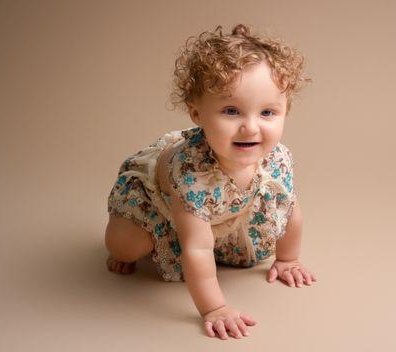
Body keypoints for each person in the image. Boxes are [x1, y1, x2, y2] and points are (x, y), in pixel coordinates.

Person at [105, 24, 317, 340]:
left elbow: (292, 214)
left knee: (246, 252)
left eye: (268, 112)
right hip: (157, 200)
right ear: (197, 114)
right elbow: (198, 248)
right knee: (126, 248)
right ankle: (126, 235)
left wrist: (288, 259)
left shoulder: (277, 159)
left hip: (223, 208)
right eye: (231, 111)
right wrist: (214, 308)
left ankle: (218, 225)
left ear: (286, 111)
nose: (250, 127)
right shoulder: (193, 175)